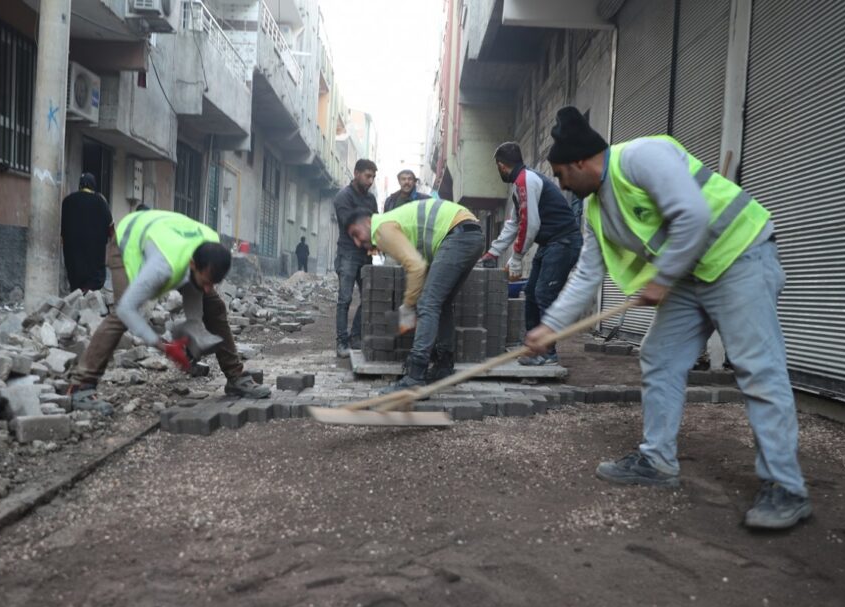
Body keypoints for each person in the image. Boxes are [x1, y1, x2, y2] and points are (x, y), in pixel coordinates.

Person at [526, 106, 809, 530]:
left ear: (580, 162)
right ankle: (657, 461)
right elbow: (586, 274)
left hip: (739, 255)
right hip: (692, 273)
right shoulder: (596, 212)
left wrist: (661, 277)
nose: (562, 185)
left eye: (562, 174)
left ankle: (786, 488)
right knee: (659, 355)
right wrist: (551, 326)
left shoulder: (642, 156)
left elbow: (692, 215)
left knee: (758, 370)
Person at [68, 206, 271, 412]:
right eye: (208, 281)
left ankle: (235, 377)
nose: (210, 287)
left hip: (167, 237)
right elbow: (127, 309)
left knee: (214, 304)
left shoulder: (210, 248)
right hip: (129, 237)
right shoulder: (162, 267)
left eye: (214, 282)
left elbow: (196, 290)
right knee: (121, 315)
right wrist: (163, 347)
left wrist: (195, 329)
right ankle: (81, 386)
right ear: (193, 264)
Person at [346, 198, 484, 392]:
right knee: (440, 303)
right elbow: (421, 265)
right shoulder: (393, 223)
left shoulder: (382, 228)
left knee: (427, 304)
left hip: (458, 234)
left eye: (356, 234)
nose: (357, 242)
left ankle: (415, 376)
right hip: (471, 234)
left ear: (368, 222)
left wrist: (408, 307)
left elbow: (416, 267)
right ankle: (444, 365)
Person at [480, 142, 581, 369]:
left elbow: (530, 224)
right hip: (550, 244)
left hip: (564, 242)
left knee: (544, 294)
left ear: (501, 166)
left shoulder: (526, 180)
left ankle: (548, 352)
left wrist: (516, 258)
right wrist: (492, 252)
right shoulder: (520, 183)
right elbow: (514, 223)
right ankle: (533, 345)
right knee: (532, 293)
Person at [333, 159, 378, 358]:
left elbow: (375, 223)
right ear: (356, 173)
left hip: (365, 254)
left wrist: (375, 248)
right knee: (345, 299)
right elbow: (349, 224)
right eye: (368, 176)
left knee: (368, 297)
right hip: (348, 254)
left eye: (373, 177)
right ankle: (342, 343)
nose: (371, 181)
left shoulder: (371, 199)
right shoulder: (343, 197)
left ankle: (355, 338)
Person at [60, 172, 113, 292]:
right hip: (94, 259)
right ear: (93, 186)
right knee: (92, 288)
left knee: (75, 286)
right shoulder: (100, 202)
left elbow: (61, 228)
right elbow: (111, 228)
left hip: (73, 257)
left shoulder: (67, 201)